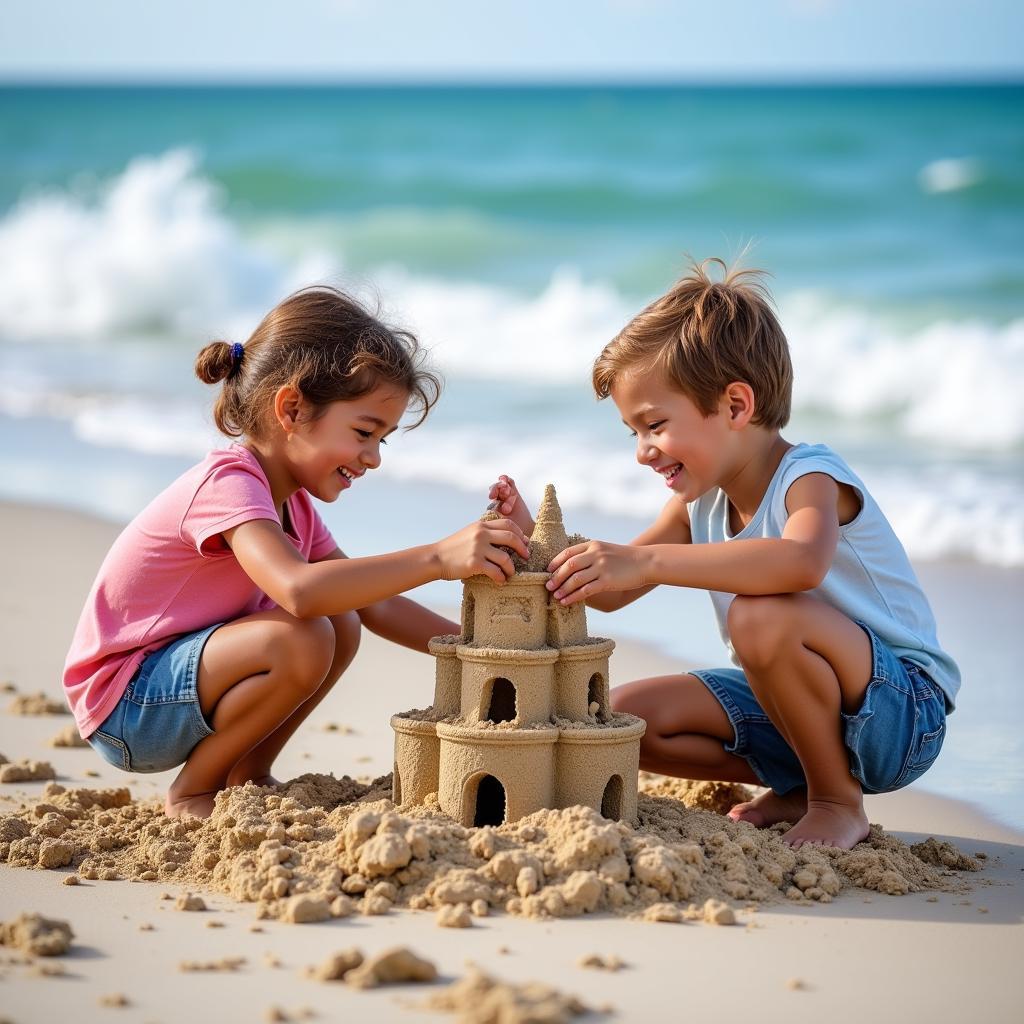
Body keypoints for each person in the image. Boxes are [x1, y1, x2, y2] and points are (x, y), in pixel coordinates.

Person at [489, 259, 958, 850]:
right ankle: (803, 783)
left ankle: (837, 801)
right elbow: (612, 591)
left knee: (757, 615)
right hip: (796, 711)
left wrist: (652, 563)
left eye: (654, 425)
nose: (642, 452)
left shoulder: (808, 477)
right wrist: (538, 540)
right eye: (633, 432)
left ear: (736, 406)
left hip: (900, 713)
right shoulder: (698, 505)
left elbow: (800, 563)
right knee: (621, 723)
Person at [64, 285, 529, 819]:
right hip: (127, 705)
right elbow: (299, 591)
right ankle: (194, 790)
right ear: (291, 408)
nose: (373, 458)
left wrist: (475, 650)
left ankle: (247, 772)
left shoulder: (294, 508)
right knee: (307, 632)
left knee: (343, 619)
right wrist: (438, 558)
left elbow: (372, 605)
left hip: (178, 689)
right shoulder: (228, 484)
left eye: (384, 439)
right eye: (363, 432)